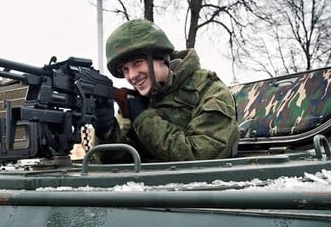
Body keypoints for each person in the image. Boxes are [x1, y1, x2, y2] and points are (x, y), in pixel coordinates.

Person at [92, 18, 239, 163]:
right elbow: (121, 162)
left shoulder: (211, 91)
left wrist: (145, 119)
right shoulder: (135, 101)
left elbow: (198, 159)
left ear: (161, 57)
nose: (132, 75)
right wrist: (106, 133)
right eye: (125, 69)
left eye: (137, 63)